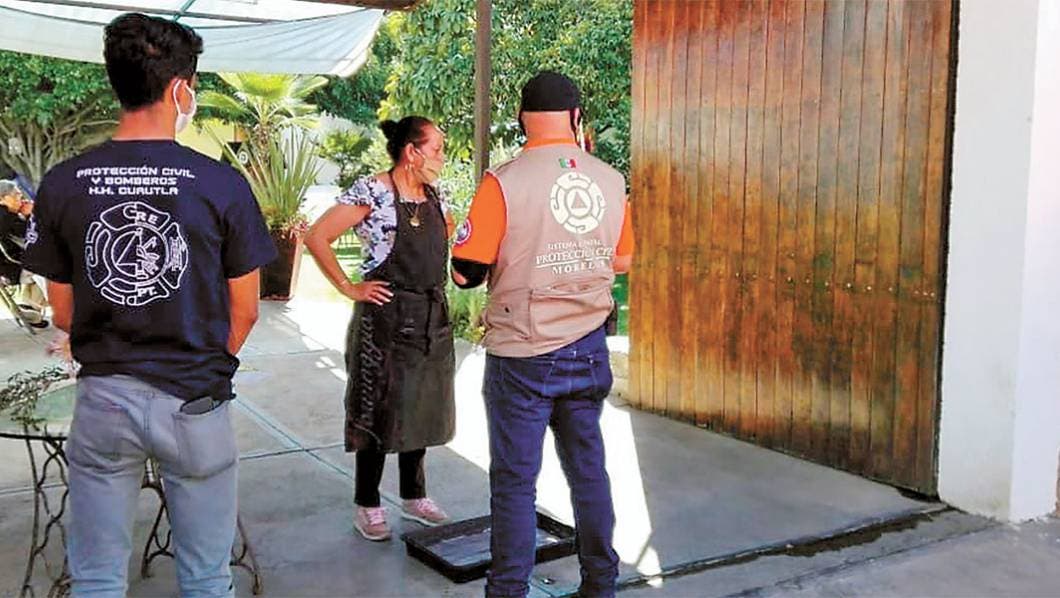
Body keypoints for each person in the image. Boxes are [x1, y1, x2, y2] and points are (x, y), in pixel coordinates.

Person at [22, 13, 277, 597]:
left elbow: (63, 314)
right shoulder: (220, 184)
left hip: (104, 400)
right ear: (181, 89)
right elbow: (245, 311)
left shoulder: (65, 181)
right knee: (207, 578)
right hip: (195, 402)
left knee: (95, 578)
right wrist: (203, 366)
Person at [451, 71, 635, 598]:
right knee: (588, 470)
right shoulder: (610, 179)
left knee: (515, 482)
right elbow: (622, 260)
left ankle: (508, 590)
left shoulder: (503, 183)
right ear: (576, 118)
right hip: (588, 346)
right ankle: (600, 583)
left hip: (524, 354)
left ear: (521, 119)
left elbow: (465, 273)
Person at [304, 116, 456, 542]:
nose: (442, 158)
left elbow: (445, 235)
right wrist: (349, 287)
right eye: (437, 149)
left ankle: (414, 496)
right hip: (385, 320)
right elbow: (317, 237)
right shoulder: (371, 191)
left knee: (420, 406)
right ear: (412, 152)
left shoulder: (435, 194)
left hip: (429, 317)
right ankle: (367, 503)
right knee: (377, 409)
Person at [0, 179, 48, 326]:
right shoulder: (5, 217)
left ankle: (29, 306)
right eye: (16, 195)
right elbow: (34, 235)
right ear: (2, 199)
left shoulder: (7, 215)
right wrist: (32, 215)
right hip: (12, 268)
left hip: (12, 265)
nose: (21, 198)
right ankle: (31, 305)